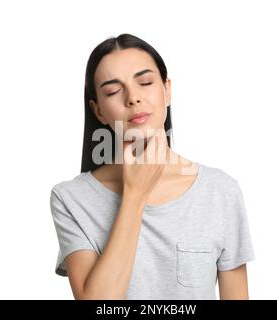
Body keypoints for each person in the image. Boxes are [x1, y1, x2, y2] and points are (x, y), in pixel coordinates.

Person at [50, 33, 255, 300]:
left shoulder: (220, 191)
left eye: (145, 82)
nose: (133, 98)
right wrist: (135, 193)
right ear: (99, 111)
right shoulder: (71, 199)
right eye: (113, 91)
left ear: (167, 90)